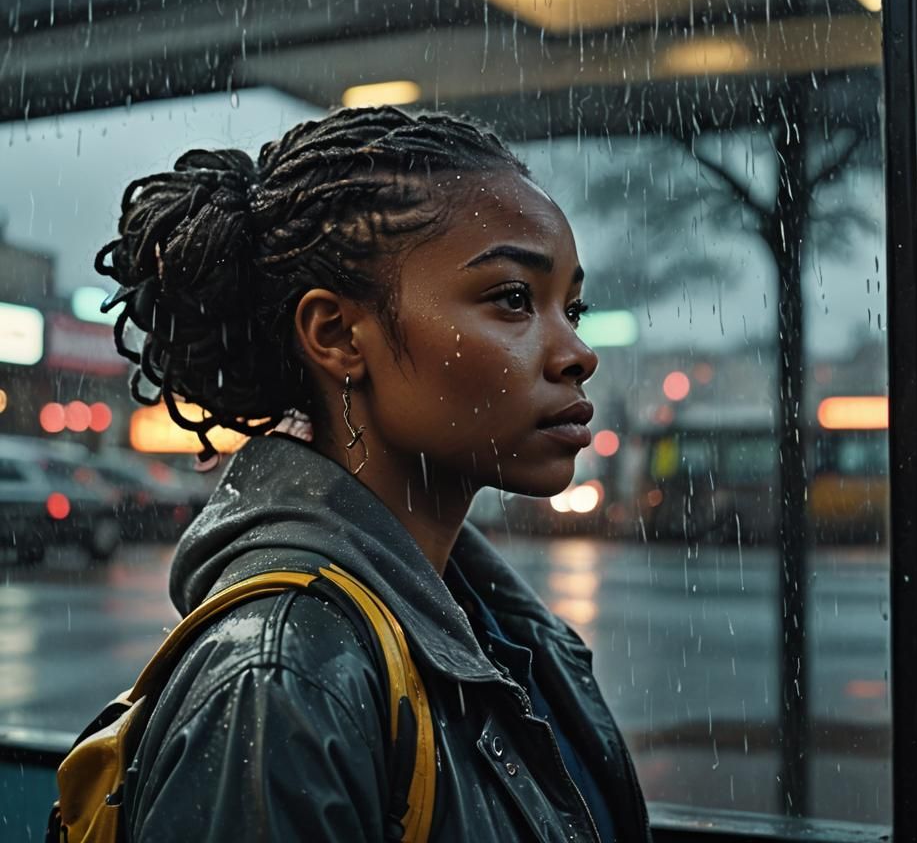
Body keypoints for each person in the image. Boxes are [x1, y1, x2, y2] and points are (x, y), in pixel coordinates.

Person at [97, 107, 651, 842]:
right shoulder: (281, 682)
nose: (578, 352)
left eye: (571, 306)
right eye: (515, 298)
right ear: (335, 336)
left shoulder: (500, 633)